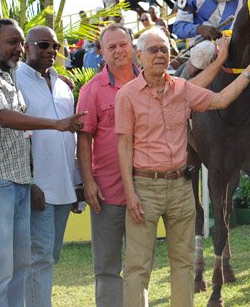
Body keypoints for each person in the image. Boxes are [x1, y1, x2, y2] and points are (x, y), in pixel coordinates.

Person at [115, 27, 250, 307]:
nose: (160, 54)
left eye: (164, 49)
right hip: (144, 187)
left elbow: (221, 99)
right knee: (138, 267)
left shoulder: (182, 90)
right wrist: (131, 193)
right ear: (139, 56)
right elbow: (124, 147)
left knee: (184, 264)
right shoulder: (126, 96)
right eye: (153, 50)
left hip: (181, 188)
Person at [0, 18, 84, 306]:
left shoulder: (11, 74)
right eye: (13, 42)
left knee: (20, 267)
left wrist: (57, 78)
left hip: (19, 181)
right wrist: (57, 125)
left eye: (20, 42)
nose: (19, 48)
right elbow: (3, 116)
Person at [17, 26, 82, 307]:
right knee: (39, 257)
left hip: (64, 184)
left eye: (55, 46)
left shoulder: (63, 85)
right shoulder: (14, 79)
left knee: (50, 257)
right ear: (27, 47)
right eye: (43, 45)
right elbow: (15, 135)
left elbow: (73, 136)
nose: (50, 52)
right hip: (37, 187)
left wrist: (78, 182)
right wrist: (28, 182)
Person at [76, 24, 140, 307]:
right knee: (107, 268)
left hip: (146, 190)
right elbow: (84, 139)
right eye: (111, 46)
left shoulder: (151, 82)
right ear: (101, 52)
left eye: (123, 44)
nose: (118, 51)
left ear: (132, 47)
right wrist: (88, 182)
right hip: (108, 192)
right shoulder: (92, 90)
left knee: (140, 266)